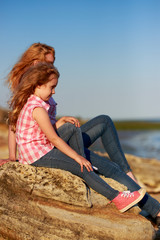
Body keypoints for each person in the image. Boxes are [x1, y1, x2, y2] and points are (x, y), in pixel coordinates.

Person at [8, 62, 146, 214]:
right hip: (38, 156)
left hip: (37, 152)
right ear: (38, 85)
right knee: (82, 167)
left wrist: (60, 122)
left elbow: (41, 132)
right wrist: (77, 157)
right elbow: (54, 139)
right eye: (51, 87)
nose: (53, 92)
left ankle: (91, 170)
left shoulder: (30, 103)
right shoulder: (38, 109)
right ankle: (118, 198)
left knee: (74, 136)